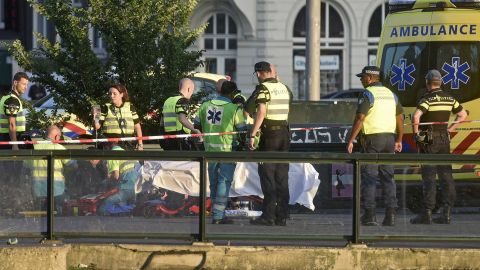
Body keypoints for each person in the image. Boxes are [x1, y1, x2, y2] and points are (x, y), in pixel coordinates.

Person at [347, 66, 404, 226]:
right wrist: (399, 139)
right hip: (389, 140)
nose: (361, 80)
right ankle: (391, 215)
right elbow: (400, 118)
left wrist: (351, 139)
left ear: (370, 78)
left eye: (362, 77)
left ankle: (370, 215)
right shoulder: (391, 94)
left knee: (370, 177)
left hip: (372, 140)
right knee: (388, 178)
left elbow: (360, 117)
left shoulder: (367, 94)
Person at [410, 69, 468, 225]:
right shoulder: (449, 98)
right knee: (446, 176)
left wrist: (417, 135)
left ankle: (427, 213)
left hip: (428, 137)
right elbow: (463, 115)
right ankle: (447, 213)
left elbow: (416, 116)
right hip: (444, 137)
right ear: (441, 82)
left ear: (428, 83)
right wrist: (450, 129)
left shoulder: (427, 98)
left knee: (428, 176)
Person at [247, 61, 293, 226]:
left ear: (259, 73)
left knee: (268, 176)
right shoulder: (284, 87)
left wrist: (252, 134)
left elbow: (261, 112)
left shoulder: (263, 88)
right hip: (284, 134)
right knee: (282, 176)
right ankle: (282, 215)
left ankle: (268, 216)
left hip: (270, 135)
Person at [198, 80, 246, 224]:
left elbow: (196, 125)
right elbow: (242, 130)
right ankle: (218, 215)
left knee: (213, 183)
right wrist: (243, 143)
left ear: (219, 91)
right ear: (232, 93)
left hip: (209, 151)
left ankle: (215, 213)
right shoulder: (234, 109)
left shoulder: (205, 105)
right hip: (227, 151)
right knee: (223, 182)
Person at [24, 125, 71, 214]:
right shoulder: (59, 148)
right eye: (59, 137)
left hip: (38, 189)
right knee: (59, 216)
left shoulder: (35, 147)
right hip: (57, 189)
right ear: (56, 136)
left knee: (41, 215)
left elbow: (25, 165)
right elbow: (73, 165)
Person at [94, 84, 144, 150]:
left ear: (121, 94)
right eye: (110, 94)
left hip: (128, 144)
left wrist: (140, 144)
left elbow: (137, 126)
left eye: (114, 94)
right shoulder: (106, 107)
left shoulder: (130, 107)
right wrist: (96, 115)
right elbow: (97, 126)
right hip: (111, 145)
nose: (111, 96)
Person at [98, 142, 139, 215]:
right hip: (137, 186)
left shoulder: (113, 154)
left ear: (106, 146)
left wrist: (107, 180)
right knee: (122, 203)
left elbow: (116, 176)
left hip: (127, 186)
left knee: (105, 205)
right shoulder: (126, 152)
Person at [160, 78, 200, 150]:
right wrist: (195, 130)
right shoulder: (182, 101)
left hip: (168, 140)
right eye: (192, 90)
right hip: (180, 140)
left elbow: (162, 122)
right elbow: (182, 119)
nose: (192, 93)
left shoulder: (168, 100)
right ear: (189, 89)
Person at [0, 72, 29, 150]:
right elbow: (11, 124)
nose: (26, 87)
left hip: (6, 138)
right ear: (15, 82)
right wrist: (15, 144)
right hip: (10, 140)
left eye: (27, 84)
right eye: (23, 84)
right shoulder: (12, 100)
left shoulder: (6, 97)